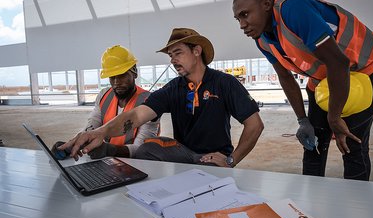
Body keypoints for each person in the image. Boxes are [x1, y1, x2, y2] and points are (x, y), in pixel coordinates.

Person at [232, 0, 373, 181]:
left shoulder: (294, 10)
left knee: (351, 142)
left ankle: (357, 206)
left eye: (245, 14)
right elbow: (285, 77)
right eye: (238, 19)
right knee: (313, 143)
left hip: (366, 64)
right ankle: (309, 205)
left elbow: (338, 62)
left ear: (266, 4)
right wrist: (302, 120)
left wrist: (334, 117)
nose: (242, 25)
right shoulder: (261, 38)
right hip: (325, 76)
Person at [59, 28, 264, 167]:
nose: (173, 60)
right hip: (183, 153)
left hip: (214, 156)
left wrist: (231, 160)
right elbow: (137, 115)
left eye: (178, 53)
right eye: (170, 56)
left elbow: (255, 125)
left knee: (211, 167)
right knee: (146, 149)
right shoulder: (174, 88)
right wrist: (100, 132)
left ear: (196, 51)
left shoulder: (225, 83)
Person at [52, 45, 159, 159]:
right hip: (108, 163)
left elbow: (141, 149)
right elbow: (91, 127)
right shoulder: (104, 96)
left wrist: (108, 150)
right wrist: (71, 145)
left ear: (135, 73)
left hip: (139, 165)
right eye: (112, 77)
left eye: (122, 75)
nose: (117, 82)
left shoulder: (150, 102)